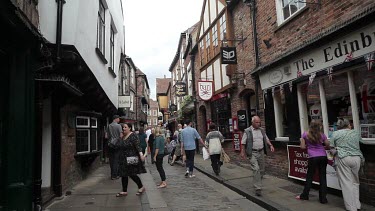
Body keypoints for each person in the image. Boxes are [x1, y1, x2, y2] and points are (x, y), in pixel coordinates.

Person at [331, 118, 364, 211]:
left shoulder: (335, 133)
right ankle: (357, 205)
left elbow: (331, 146)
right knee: (355, 182)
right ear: (348, 125)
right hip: (357, 158)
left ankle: (351, 208)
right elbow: (362, 141)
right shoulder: (355, 132)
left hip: (343, 158)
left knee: (346, 183)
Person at [296, 120, 329, 204]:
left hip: (313, 157)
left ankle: (305, 195)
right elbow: (327, 145)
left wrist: (303, 142)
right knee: (322, 177)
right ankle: (323, 199)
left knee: (310, 176)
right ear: (319, 126)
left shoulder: (305, 134)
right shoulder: (322, 135)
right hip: (323, 156)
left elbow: (302, 147)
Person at [240, 116, 275, 196]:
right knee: (256, 169)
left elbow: (266, 138)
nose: (258, 124)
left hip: (261, 151)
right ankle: (257, 188)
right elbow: (243, 142)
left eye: (259, 122)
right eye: (256, 122)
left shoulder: (262, 130)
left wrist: (270, 145)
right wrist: (242, 152)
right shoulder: (247, 131)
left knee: (262, 170)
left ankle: (257, 181)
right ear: (252, 122)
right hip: (252, 152)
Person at [116, 123, 146, 197]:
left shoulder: (133, 135)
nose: (123, 129)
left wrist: (141, 155)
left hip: (131, 157)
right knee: (124, 174)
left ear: (129, 128)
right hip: (123, 158)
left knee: (132, 174)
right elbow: (119, 145)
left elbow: (138, 146)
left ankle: (141, 187)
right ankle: (124, 191)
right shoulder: (123, 136)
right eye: (123, 127)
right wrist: (120, 138)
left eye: (125, 127)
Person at [107, 115, 123, 180]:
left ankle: (112, 175)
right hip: (117, 144)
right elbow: (121, 135)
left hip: (110, 144)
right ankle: (115, 175)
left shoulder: (109, 125)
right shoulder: (118, 126)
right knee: (116, 160)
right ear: (116, 119)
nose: (119, 120)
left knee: (111, 160)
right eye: (118, 118)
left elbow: (106, 136)